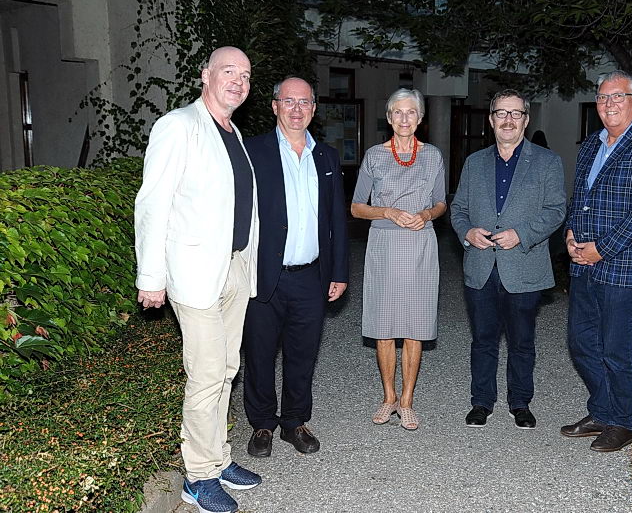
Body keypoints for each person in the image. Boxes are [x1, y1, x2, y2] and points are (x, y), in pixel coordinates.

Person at [135, 46, 262, 513]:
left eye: (245, 75)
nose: (238, 81)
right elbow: (153, 203)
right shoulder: (178, 125)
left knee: (226, 369)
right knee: (207, 373)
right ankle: (198, 476)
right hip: (195, 272)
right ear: (205, 75)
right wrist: (151, 275)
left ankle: (219, 458)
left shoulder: (233, 132)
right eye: (228, 71)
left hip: (234, 267)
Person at [561, 69, 632, 452]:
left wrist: (602, 248)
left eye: (617, 96)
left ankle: (623, 422)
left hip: (626, 266)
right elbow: (580, 197)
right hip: (583, 262)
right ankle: (602, 411)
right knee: (581, 343)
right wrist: (571, 234)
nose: (608, 103)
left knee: (616, 349)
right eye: (602, 97)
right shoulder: (591, 145)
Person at [243, 77, 349, 457]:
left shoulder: (327, 157)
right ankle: (262, 424)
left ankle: (294, 422)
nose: (296, 109)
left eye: (304, 102)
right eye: (288, 101)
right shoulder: (253, 150)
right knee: (259, 353)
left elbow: (337, 218)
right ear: (275, 106)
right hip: (264, 275)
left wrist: (339, 272)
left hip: (311, 276)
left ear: (314, 109)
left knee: (303, 354)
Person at [450, 89, 566, 429]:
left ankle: (520, 403)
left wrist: (522, 234)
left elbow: (556, 210)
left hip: (524, 265)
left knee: (522, 342)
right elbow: (458, 209)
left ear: (526, 120)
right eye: (501, 113)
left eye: (516, 113)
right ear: (491, 120)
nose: (508, 120)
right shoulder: (474, 162)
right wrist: (467, 232)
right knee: (483, 340)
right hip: (481, 266)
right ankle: (481, 402)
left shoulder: (547, 161)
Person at [351, 88, 447, 431]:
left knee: (415, 326)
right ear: (389, 117)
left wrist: (426, 214)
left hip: (420, 244)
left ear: (419, 118)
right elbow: (356, 207)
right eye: (398, 112)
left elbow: (441, 203)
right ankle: (388, 396)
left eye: (411, 112)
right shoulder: (375, 156)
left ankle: (407, 401)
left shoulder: (433, 156)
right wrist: (387, 211)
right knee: (384, 326)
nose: (404, 119)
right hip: (384, 245)